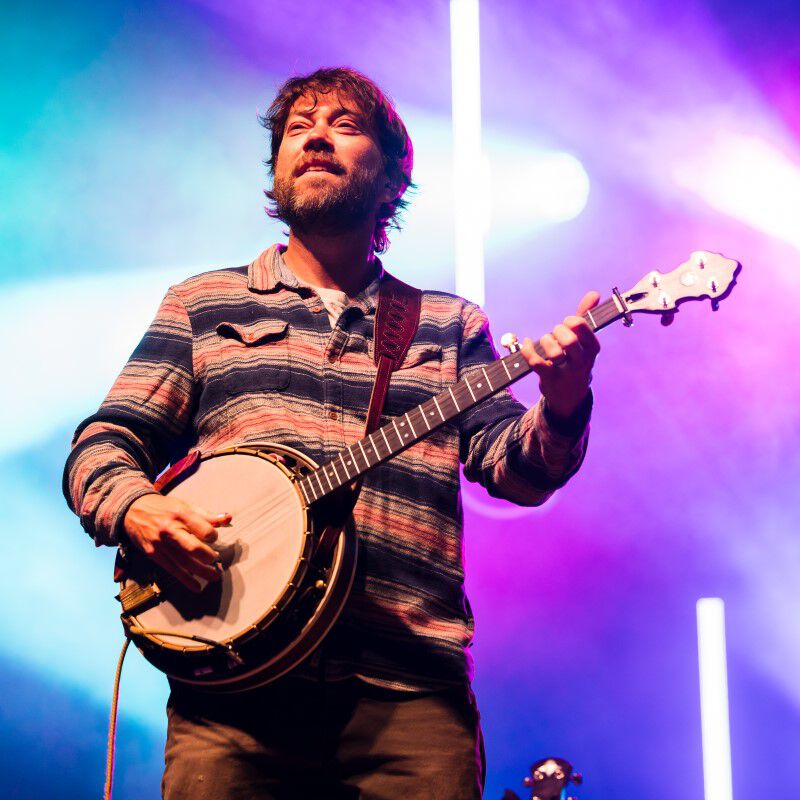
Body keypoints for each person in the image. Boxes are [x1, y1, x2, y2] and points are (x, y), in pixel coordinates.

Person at [64, 67, 600, 800]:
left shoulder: (448, 325)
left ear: (390, 181)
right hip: (231, 699)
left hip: (410, 694)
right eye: (296, 128)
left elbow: (517, 471)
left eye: (345, 126)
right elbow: (106, 441)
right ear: (277, 169)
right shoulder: (202, 303)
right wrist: (135, 508)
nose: (315, 136)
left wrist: (565, 401)